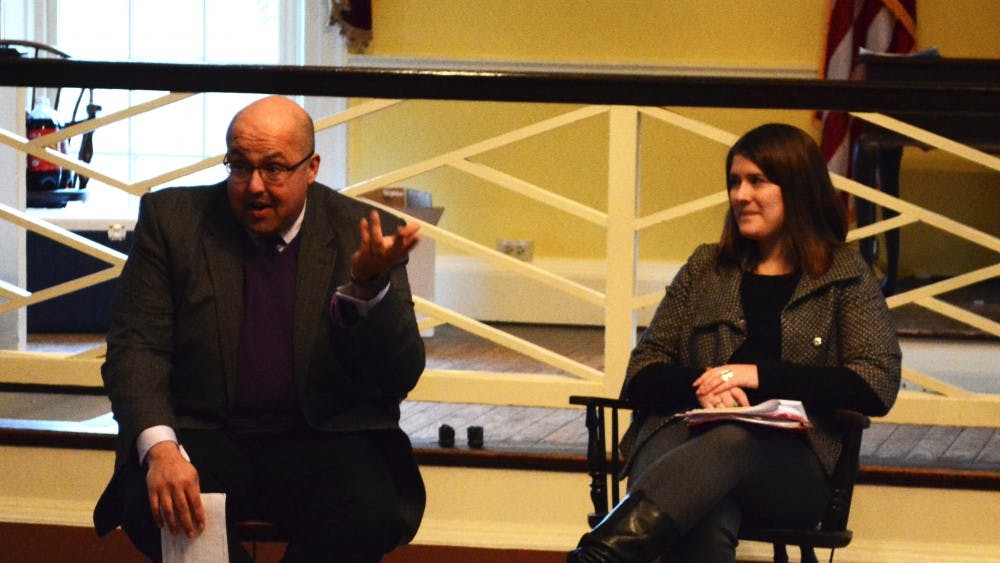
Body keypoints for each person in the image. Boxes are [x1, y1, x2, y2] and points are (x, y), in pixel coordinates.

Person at [93, 96, 426, 563]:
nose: (253, 187)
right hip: (205, 432)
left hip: (322, 435)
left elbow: (400, 374)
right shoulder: (174, 222)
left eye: (274, 169)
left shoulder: (361, 232)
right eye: (239, 166)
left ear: (311, 168)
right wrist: (162, 450)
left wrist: (369, 288)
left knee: (371, 508)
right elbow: (136, 348)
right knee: (153, 502)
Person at [568, 123, 901, 563]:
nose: (740, 195)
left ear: (798, 188)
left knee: (732, 440)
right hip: (679, 437)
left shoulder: (844, 275)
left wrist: (755, 378)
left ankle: (598, 557)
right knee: (706, 513)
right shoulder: (707, 267)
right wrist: (705, 387)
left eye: (756, 181)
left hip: (789, 467)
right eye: (734, 181)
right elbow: (643, 371)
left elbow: (875, 383)